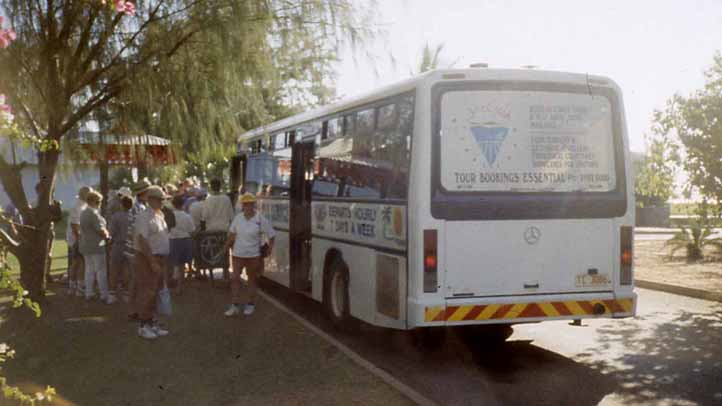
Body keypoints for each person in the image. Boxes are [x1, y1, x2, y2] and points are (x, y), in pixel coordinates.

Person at [222, 193, 275, 316]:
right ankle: (235, 305)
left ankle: (250, 304)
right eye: (245, 204)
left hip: (253, 256)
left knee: (251, 280)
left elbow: (271, 235)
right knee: (235, 278)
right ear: (242, 206)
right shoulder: (238, 218)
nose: (247, 207)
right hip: (237, 255)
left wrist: (270, 248)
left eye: (250, 204)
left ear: (253, 205)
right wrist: (225, 248)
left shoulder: (260, 219)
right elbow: (232, 235)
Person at [133, 186, 171, 339]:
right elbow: (142, 240)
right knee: (148, 291)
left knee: (156, 291)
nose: (163, 202)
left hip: (159, 257)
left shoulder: (159, 214)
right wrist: (152, 261)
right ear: (151, 200)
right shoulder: (144, 216)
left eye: (163, 199)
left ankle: (152, 323)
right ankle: (143, 325)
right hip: (148, 258)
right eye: (160, 199)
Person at [79, 190, 112, 303]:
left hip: (86, 245)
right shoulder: (93, 214)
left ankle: (89, 293)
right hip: (97, 246)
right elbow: (101, 230)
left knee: (89, 270)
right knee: (101, 270)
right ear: (92, 201)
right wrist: (108, 236)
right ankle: (104, 295)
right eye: (98, 201)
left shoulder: (83, 212)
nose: (99, 204)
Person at [125, 179, 152, 319]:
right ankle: (134, 309)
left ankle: (133, 309)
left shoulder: (138, 207)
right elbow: (139, 232)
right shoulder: (140, 209)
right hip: (136, 250)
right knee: (138, 280)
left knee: (136, 280)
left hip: (133, 248)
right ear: (145, 193)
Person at [66, 186, 91, 296]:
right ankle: (78, 287)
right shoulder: (77, 206)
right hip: (77, 239)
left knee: (76, 263)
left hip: (77, 238)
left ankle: (74, 286)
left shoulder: (82, 205)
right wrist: (80, 240)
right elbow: (74, 225)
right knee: (80, 263)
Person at [169, 195, 195, 293]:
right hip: (185, 240)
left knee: (171, 264)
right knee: (182, 266)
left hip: (173, 240)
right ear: (183, 204)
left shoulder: (169, 215)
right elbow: (192, 230)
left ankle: (168, 285)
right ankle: (179, 287)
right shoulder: (187, 216)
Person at [109, 195, 133, 302]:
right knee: (127, 269)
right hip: (129, 245)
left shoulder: (116, 216)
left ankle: (112, 293)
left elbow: (111, 233)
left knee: (114, 269)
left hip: (118, 244)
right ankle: (126, 293)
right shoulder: (133, 217)